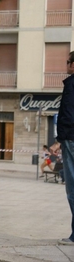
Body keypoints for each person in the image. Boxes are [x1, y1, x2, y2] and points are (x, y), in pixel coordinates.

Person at [55, 50, 74, 246]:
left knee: (72, 189)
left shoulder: (71, 84)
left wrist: (59, 139)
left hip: (71, 139)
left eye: (68, 61)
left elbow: (68, 114)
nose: (66, 65)